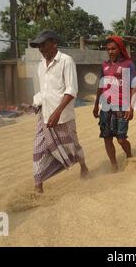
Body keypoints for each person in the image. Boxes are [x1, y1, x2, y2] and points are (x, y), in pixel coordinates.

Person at [30, 30, 88, 194]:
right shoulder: (40, 65)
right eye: (39, 46)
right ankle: (38, 186)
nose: (41, 49)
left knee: (73, 146)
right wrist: (34, 103)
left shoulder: (66, 61)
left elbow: (72, 90)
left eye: (43, 45)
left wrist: (57, 112)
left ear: (53, 43)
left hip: (63, 116)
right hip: (45, 116)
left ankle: (83, 166)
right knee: (38, 149)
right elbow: (44, 91)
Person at [93, 36, 136, 173]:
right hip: (106, 106)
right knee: (107, 137)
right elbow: (101, 85)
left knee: (121, 139)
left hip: (122, 106)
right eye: (108, 49)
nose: (110, 51)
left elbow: (134, 86)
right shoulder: (104, 65)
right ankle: (114, 165)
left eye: (113, 48)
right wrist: (95, 105)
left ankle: (129, 156)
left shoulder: (128, 64)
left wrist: (131, 106)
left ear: (120, 48)